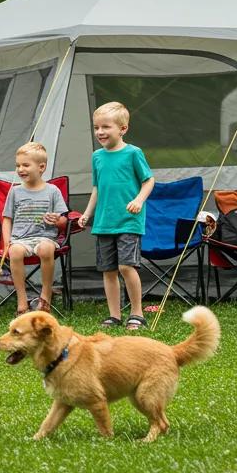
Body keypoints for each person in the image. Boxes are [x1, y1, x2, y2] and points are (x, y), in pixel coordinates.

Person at [78, 101, 155, 330]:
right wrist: (87, 213)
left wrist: (139, 200)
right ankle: (114, 315)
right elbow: (97, 188)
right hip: (103, 223)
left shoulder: (133, 153)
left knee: (126, 267)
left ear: (123, 129)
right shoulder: (97, 157)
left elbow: (148, 180)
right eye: (96, 127)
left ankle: (137, 313)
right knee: (108, 270)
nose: (100, 132)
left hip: (128, 221)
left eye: (106, 127)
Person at [0, 142, 69, 315]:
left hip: (45, 237)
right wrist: (7, 242)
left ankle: (45, 297)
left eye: (25, 165)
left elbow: (64, 221)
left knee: (46, 250)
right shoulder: (15, 192)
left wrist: (57, 220)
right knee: (15, 252)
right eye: (17, 165)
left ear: (41, 167)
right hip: (21, 239)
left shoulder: (52, 191)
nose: (20, 169)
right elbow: (6, 219)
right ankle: (22, 302)